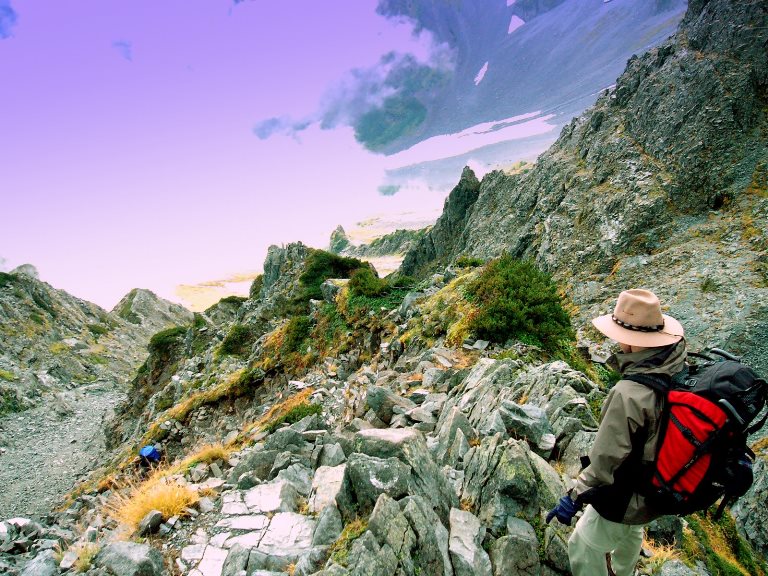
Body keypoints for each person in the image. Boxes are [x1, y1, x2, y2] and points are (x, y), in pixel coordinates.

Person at [546, 289, 687, 576]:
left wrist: (573, 497)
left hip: (625, 494)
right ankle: (624, 571)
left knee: (582, 545)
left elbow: (605, 459)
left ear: (633, 341)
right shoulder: (675, 364)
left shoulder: (628, 394)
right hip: (654, 488)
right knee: (632, 532)